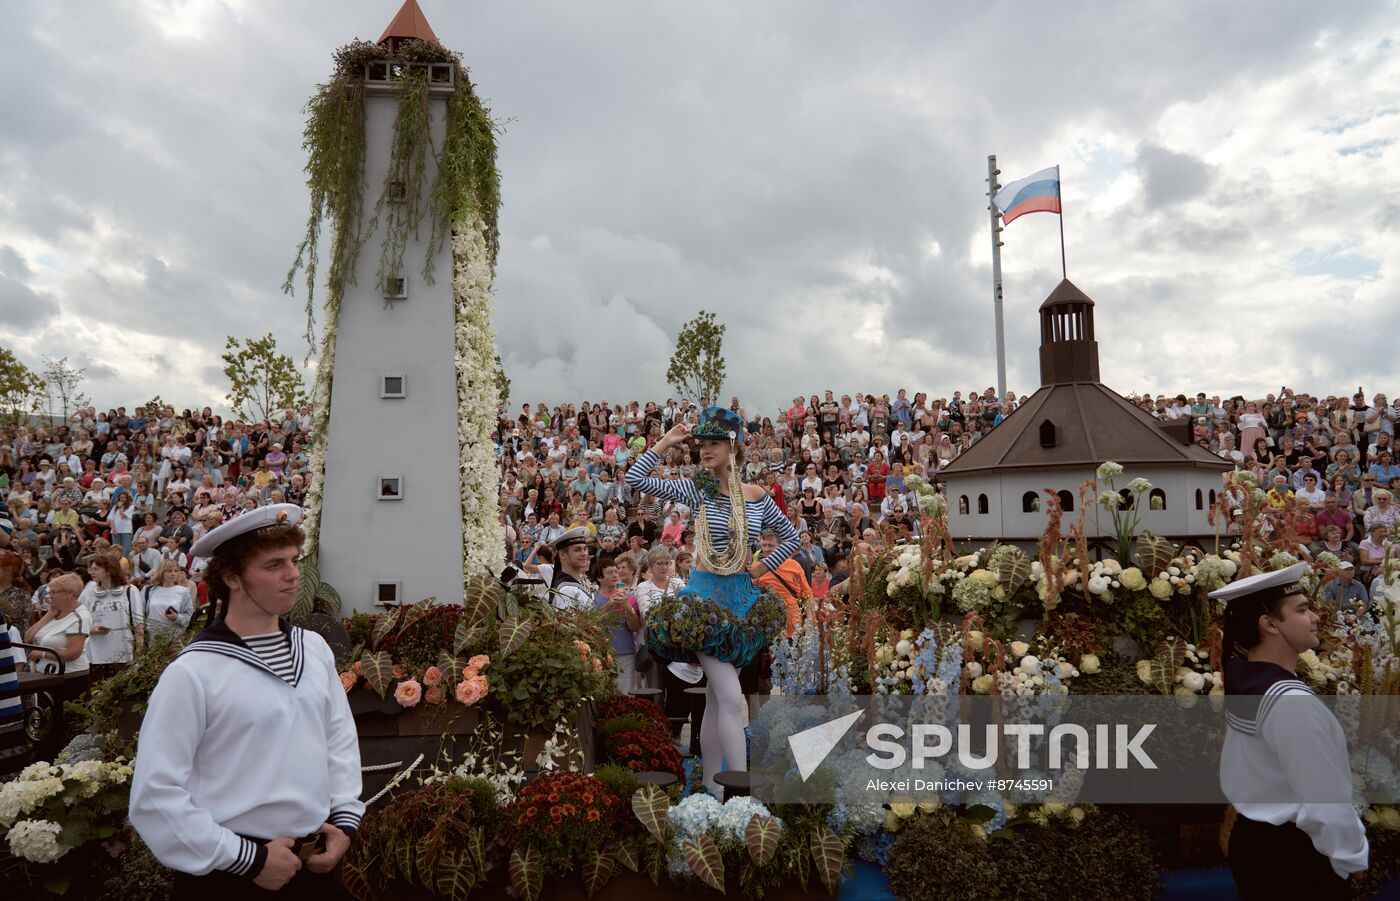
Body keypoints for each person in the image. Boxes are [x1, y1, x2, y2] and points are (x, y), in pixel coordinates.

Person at [129, 504, 362, 898]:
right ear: (232, 577)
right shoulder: (193, 672)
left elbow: (337, 742)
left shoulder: (314, 649)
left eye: (293, 561)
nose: (292, 575)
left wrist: (344, 821)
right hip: (230, 877)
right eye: (273, 565)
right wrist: (246, 858)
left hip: (315, 866)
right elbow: (155, 795)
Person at [626, 406, 799, 797]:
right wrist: (667, 442)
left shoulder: (757, 496)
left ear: (733, 446)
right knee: (729, 696)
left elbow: (790, 538)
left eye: (714, 443)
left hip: (741, 601)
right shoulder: (696, 488)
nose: (705, 449)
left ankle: (710, 787)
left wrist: (759, 568)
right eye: (702, 443)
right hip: (704, 605)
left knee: (721, 698)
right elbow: (635, 477)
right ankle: (739, 790)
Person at [1212, 563, 1367, 895]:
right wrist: (1351, 858)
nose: (1314, 617)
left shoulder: (1249, 681)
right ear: (1269, 624)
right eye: (1301, 609)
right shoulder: (1289, 701)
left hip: (1255, 842)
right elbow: (1324, 798)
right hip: (1294, 856)